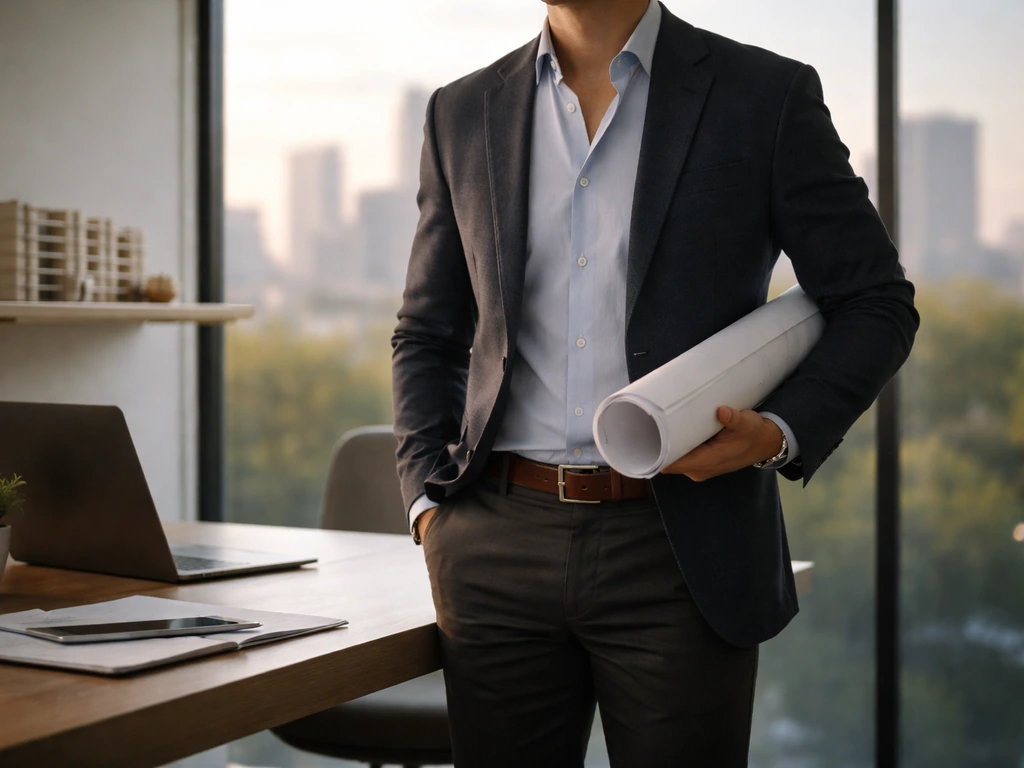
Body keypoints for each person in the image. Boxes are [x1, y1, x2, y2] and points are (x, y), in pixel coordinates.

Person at [391, 0, 919, 765]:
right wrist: (427, 506)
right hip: (494, 545)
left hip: (682, 547)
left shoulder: (763, 94)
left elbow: (875, 300)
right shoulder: (462, 110)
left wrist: (777, 432)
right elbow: (427, 332)